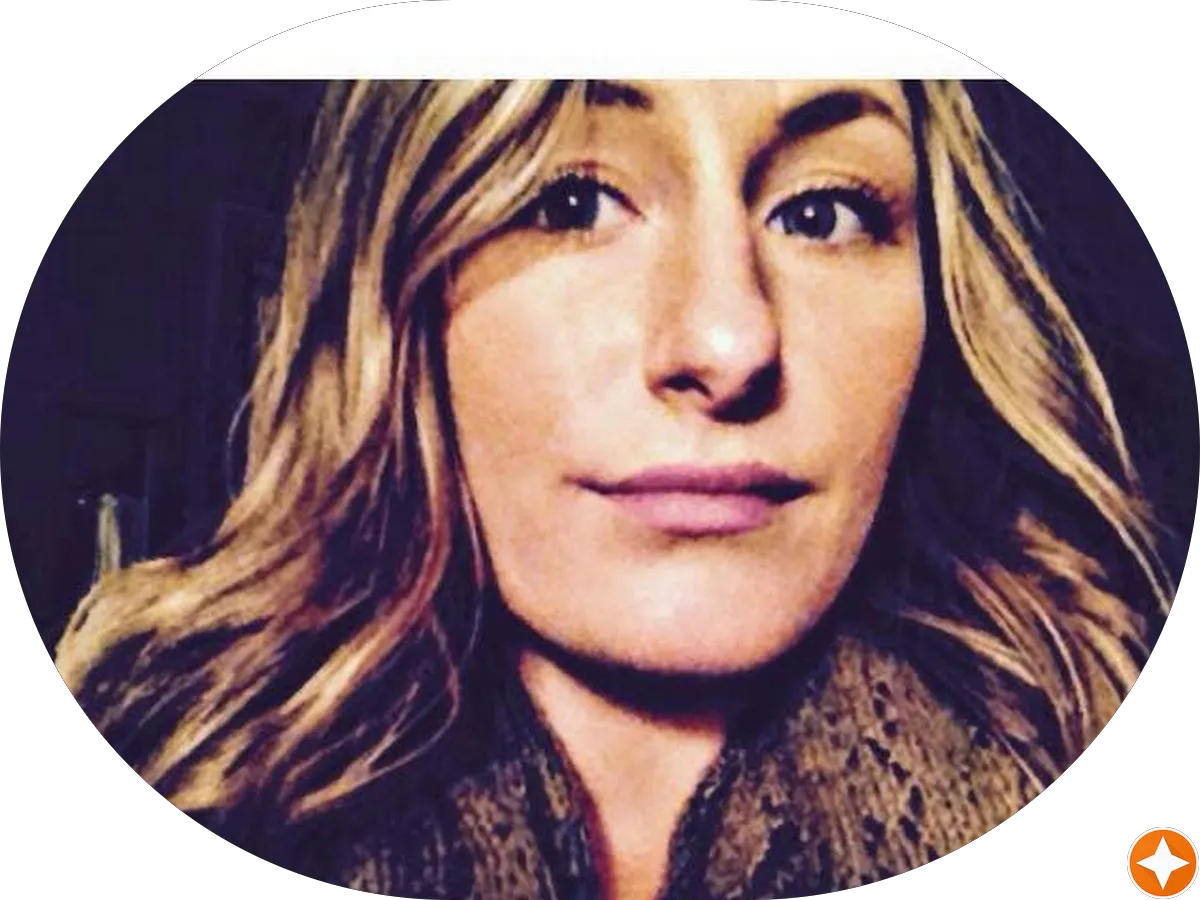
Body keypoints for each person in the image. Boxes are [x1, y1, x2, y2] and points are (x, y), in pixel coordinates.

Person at [54, 80, 1176, 899]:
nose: (729, 342)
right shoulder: (175, 757)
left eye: (823, 212)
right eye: (571, 201)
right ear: (398, 295)